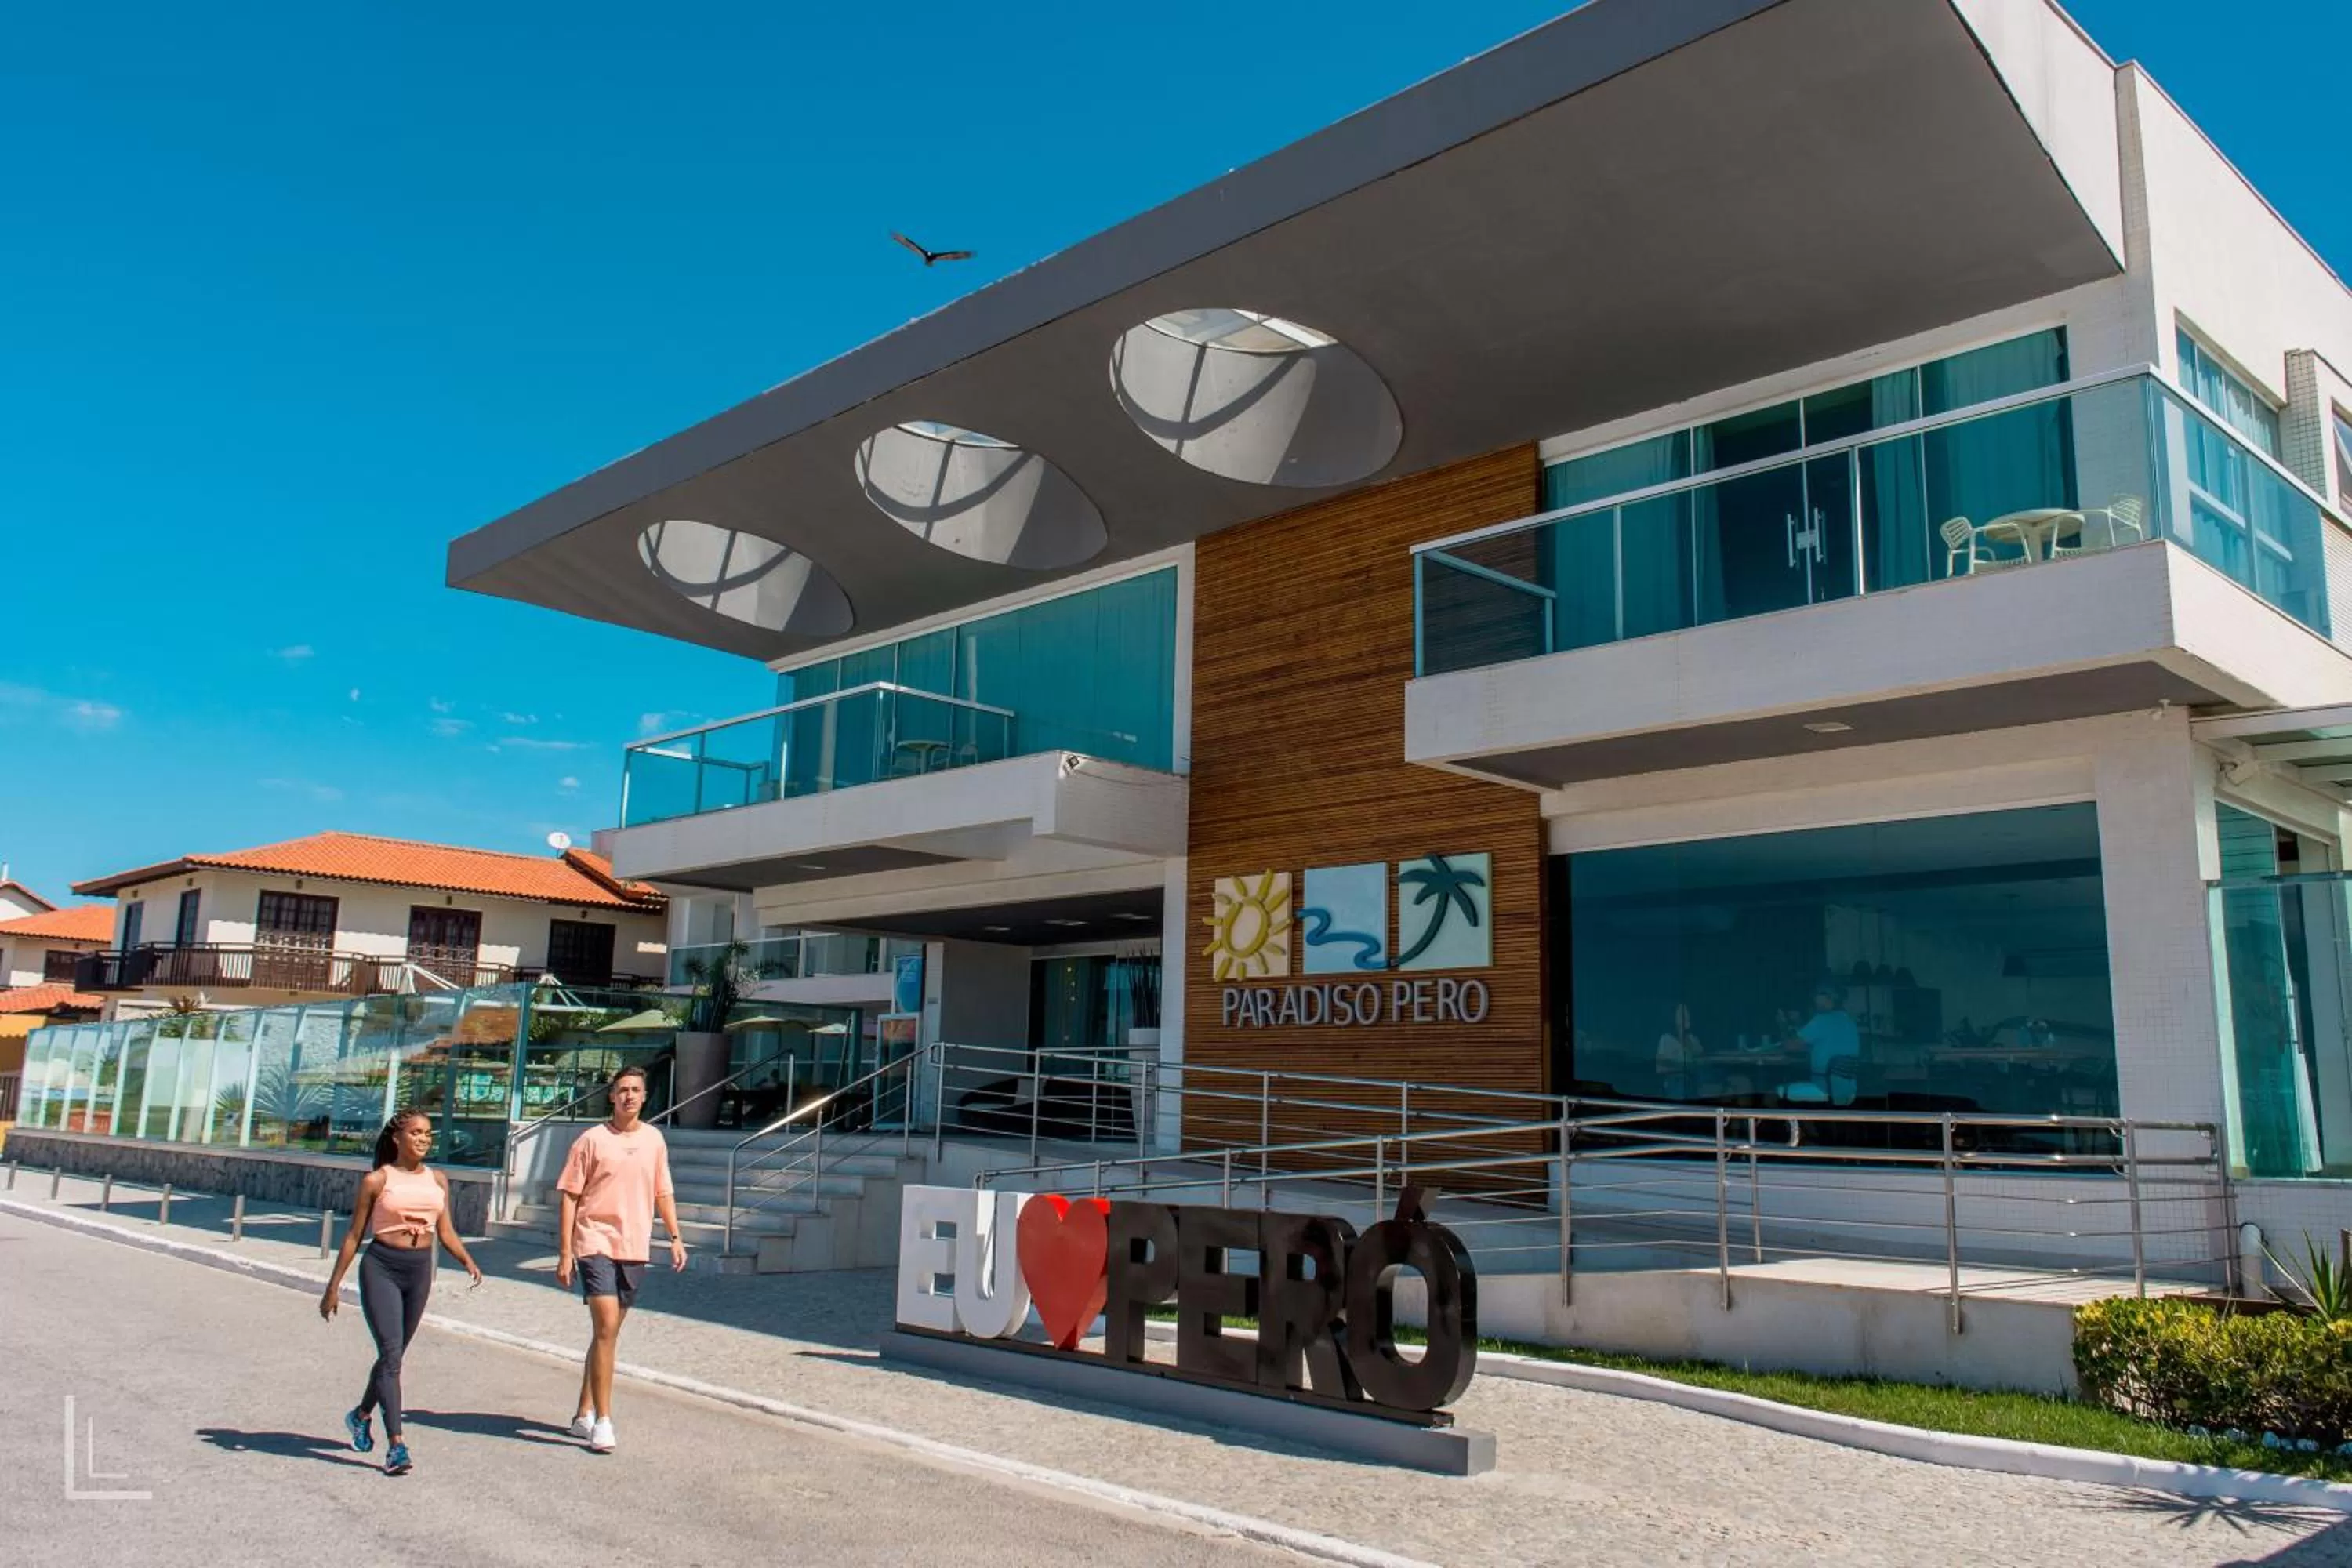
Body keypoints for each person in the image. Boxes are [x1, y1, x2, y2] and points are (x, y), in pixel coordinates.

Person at [320, 1109, 485, 1476]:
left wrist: (467, 1260)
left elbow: (446, 1231)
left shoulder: (437, 1179)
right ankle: (396, 1445)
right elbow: (352, 1237)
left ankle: (360, 1415)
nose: (424, 1139)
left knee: (391, 1358)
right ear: (397, 1138)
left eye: (428, 1133)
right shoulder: (377, 1181)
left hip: (419, 1270)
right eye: (416, 1133)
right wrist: (332, 1287)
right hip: (381, 1267)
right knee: (392, 1355)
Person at [555, 1063, 686, 1454]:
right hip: (594, 1241)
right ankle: (604, 1422)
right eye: (622, 1090)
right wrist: (565, 1251)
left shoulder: (654, 1140)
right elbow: (569, 1196)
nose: (629, 1095)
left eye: (636, 1090)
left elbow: (663, 1191)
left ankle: (582, 1413)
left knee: (606, 1335)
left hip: (634, 1245)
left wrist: (676, 1238)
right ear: (611, 1096)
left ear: (645, 1097)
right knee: (607, 1327)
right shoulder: (590, 1140)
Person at [1784, 981, 1862, 1103]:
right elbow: (1814, 1045)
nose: (1815, 999)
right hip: (1848, 1093)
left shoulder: (1821, 1020)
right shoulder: (1849, 1021)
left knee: (1773, 1095)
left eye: (1817, 995)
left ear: (1829, 997)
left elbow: (1790, 1046)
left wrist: (1784, 1025)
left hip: (1823, 1089)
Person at [1653, 1002, 1701, 1101]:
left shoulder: (1693, 1039)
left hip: (1693, 1083)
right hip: (1674, 1084)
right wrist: (1682, 1066)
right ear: (1674, 1018)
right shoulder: (1666, 1039)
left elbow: (1702, 1060)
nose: (1686, 1016)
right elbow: (1660, 1065)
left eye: (1687, 1012)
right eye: (1682, 1013)